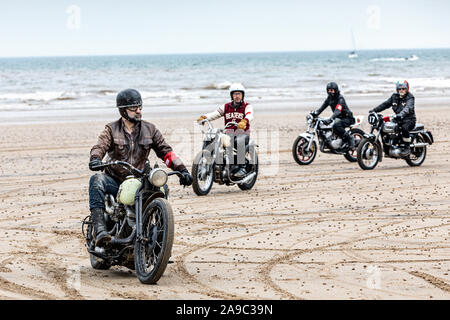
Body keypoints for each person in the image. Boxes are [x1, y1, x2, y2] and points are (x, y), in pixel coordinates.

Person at [88, 89, 193, 247]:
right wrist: (95, 158)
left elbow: (166, 151)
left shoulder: (150, 129)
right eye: (134, 108)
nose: (139, 111)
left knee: (162, 188)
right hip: (115, 179)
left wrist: (183, 170)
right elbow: (100, 146)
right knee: (96, 180)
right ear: (123, 110)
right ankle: (100, 229)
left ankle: (159, 240)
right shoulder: (111, 129)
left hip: (140, 179)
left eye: (140, 107)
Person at [197, 83, 254, 179]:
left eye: (239, 94)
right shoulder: (226, 106)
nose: (237, 96)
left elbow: (249, 114)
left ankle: (243, 167)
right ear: (231, 95)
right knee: (213, 138)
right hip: (228, 134)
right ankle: (207, 163)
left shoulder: (247, 106)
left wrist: (245, 120)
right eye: (235, 94)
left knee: (239, 141)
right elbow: (215, 113)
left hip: (242, 133)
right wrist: (205, 117)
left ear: (242, 95)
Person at [370, 81, 416, 155]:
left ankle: (407, 147)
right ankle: (387, 146)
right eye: (399, 89)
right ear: (397, 89)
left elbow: (408, 108)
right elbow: (385, 104)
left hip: (409, 119)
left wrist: (401, 114)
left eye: (403, 88)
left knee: (404, 128)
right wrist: (374, 110)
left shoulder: (410, 97)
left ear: (407, 89)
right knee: (384, 127)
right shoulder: (394, 97)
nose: (401, 90)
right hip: (398, 119)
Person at [313, 82, 356, 150]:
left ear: (335, 90)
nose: (330, 92)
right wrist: (315, 113)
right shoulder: (329, 98)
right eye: (329, 90)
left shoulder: (340, 98)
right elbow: (322, 108)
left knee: (336, 125)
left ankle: (350, 139)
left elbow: (337, 111)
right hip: (339, 118)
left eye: (332, 90)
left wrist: (330, 119)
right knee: (324, 125)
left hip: (347, 118)